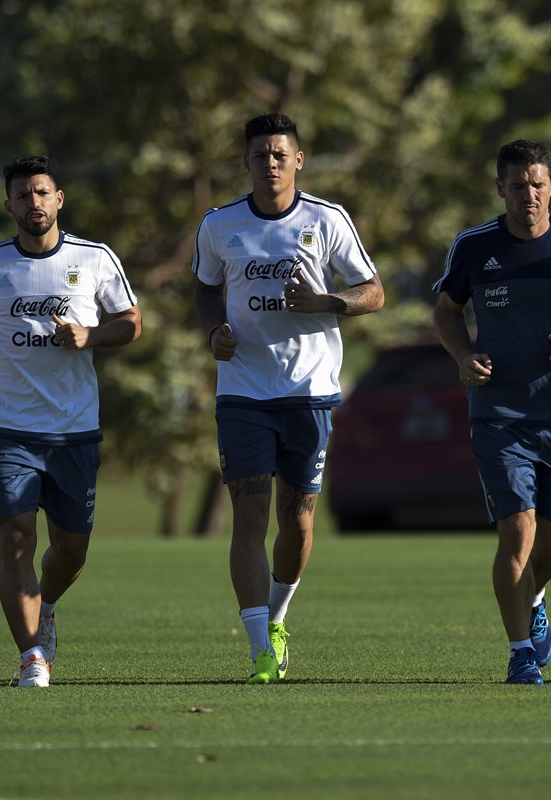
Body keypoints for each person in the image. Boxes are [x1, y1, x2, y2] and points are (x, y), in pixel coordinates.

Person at [0, 156, 141, 687]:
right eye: (23, 196)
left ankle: (45, 605)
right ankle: (31, 657)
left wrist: (89, 336)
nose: (34, 203)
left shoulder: (94, 259)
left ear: (59, 198)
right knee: (15, 541)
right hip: (9, 429)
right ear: (9, 206)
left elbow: (130, 323)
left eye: (42, 193)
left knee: (71, 550)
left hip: (74, 430)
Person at [193, 113, 384, 684]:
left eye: (280, 154)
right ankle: (258, 652)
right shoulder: (220, 225)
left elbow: (374, 292)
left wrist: (324, 303)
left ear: (298, 160)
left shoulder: (327, 220)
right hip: (244, 394)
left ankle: (276, 620)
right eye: (260, 155)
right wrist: (213, 333)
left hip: (309, 394)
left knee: (297, 522)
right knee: (247, 518)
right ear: (246, 163)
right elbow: (205, 290)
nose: (270, 163)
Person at [432, 139, 551, 685]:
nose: (529, 195)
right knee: (517, 531)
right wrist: (464, 355)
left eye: (537, 184)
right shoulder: (473, 247)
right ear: (501, 189)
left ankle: (534, 597)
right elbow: (445, 311)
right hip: (499, 416)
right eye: (517, 186)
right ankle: (520, 654)